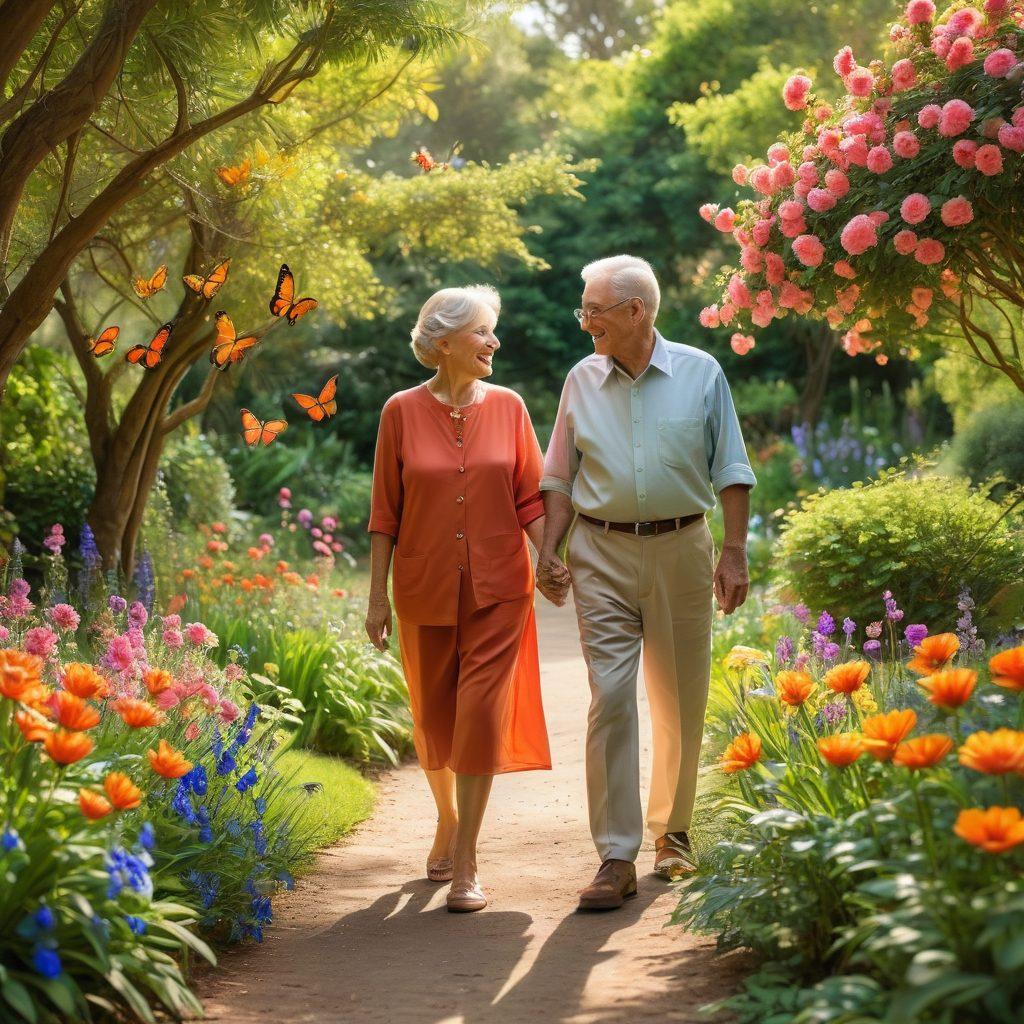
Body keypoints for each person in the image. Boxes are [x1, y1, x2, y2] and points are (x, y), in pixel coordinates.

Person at [536, 254, 756, 911]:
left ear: (636, 311)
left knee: (679, 698)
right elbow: (558, 476)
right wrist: (549, 550)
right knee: (609, 694)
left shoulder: (701, 373)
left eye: (593, 310)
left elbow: (733, 469)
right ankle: (615, 854)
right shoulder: (582, 379)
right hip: (600, 551)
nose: (585, 322)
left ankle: (674, 834)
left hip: (683, 547)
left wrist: (735, 553)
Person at [365, 285, 565, 913]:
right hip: (424, 586)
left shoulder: (509, 407)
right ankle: (447, 820)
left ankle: (469, 861)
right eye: (483, 332)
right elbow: (384, 513)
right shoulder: (399, 411)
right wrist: (376, 599)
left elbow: (529, 496)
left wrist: (549, 556)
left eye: (493, 332)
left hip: (500, 587)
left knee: (478, 713)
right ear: (444, 341)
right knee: (434, 719)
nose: (494, 343)